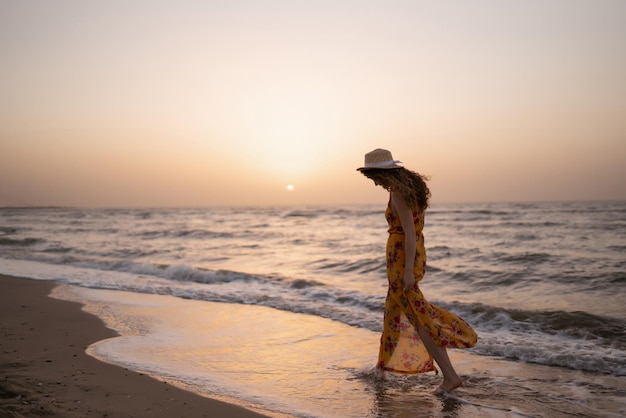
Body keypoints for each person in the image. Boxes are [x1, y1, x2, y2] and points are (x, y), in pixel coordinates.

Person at [357, 148, 477, 394]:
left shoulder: (399, 193)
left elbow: (409, 234)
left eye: (374, 177)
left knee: (418, 314)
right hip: (407, 254)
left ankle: (451, 375)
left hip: (403, 257)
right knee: (404, 311)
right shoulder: (409, 188)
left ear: (384, 172)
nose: (375, 182)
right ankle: (383, 368)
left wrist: (408, 271)